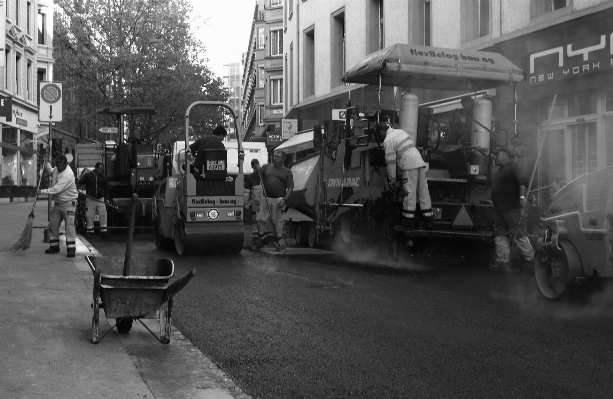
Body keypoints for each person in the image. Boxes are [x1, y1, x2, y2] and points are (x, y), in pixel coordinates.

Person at [378, 122, 434, 230]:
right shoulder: (401, 132)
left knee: (410, 193)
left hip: (409, 166)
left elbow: (391, 163)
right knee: (424, 193)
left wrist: (392, 180)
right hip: (420, 163)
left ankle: (408, 224)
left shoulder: (388, 140)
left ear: (381, 132)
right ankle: (430, 222)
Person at [489, 146, 535, 273]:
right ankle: (502, 262)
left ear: (505, 155)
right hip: (501, 209)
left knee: (518, 234)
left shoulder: (514, 166)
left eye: (496, 154)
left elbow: (523, 181)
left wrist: (521, 197)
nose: (494, 157)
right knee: (500, 234)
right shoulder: (501, 169)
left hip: (513, 208)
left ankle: (531, 260)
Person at [37, 155, 79, 257]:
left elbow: (57, 189)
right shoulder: (56, 169)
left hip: (69, 204)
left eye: (61, 165)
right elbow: (51, 170)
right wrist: (46, 163)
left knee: (69, 227)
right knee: (53, 224)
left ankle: (71, 249)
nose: (59, 167)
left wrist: (41, 191)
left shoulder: (68, 175)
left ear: (66, 164)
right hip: (58, 204)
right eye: (58, 165)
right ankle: (54, 246)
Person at [254, 151, 294, 251]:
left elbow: (290, 188)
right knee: (259, 219)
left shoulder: (287, 172)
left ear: (283, 159)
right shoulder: (267, 167)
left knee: (277, 223)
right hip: (266, 198)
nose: (275, 158)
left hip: (279, 200)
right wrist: (256, 165)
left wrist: (285, 200)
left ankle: (278, 242)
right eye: (275, 156)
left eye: (278, 157)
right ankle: (263, 238)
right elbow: (258, 171)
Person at [77, 162, 110, 238]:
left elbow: (106, 189)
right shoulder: (88, 176)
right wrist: (79, 189)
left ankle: (104, 231)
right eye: (100, 169)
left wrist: (107, 199)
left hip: (100, 199)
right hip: (90, 199)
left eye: (102, 169)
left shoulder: (104, 177)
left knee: (103, 215)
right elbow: (79, 182)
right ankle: (90, 231)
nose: (101, 171)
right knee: (89, 215)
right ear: (96, 168)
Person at [244, 159, 263, 245]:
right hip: (256, 202)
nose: (255, 167)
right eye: (254, 165)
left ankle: (261, 236)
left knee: (259, 220)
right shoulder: (250, 178)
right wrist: (246, 203)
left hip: (261, 202)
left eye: (256, 165)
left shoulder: (263, 174)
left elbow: (247, 192)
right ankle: (257, 237)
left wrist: (246, 203)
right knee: (256, 220)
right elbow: (247, 192)